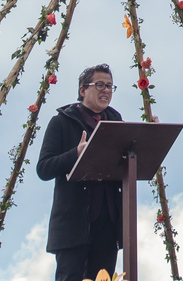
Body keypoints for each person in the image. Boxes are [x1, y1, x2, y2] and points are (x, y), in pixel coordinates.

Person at [37, 64, 123, 281]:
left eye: (110, 87)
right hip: (73, 225)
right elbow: (44, 168)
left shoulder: (117, 122)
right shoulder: (61, 122)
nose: (106, 91)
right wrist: (75, 153)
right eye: (100, 85)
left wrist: (147, 139)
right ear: (83, 90)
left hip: (108, 225)